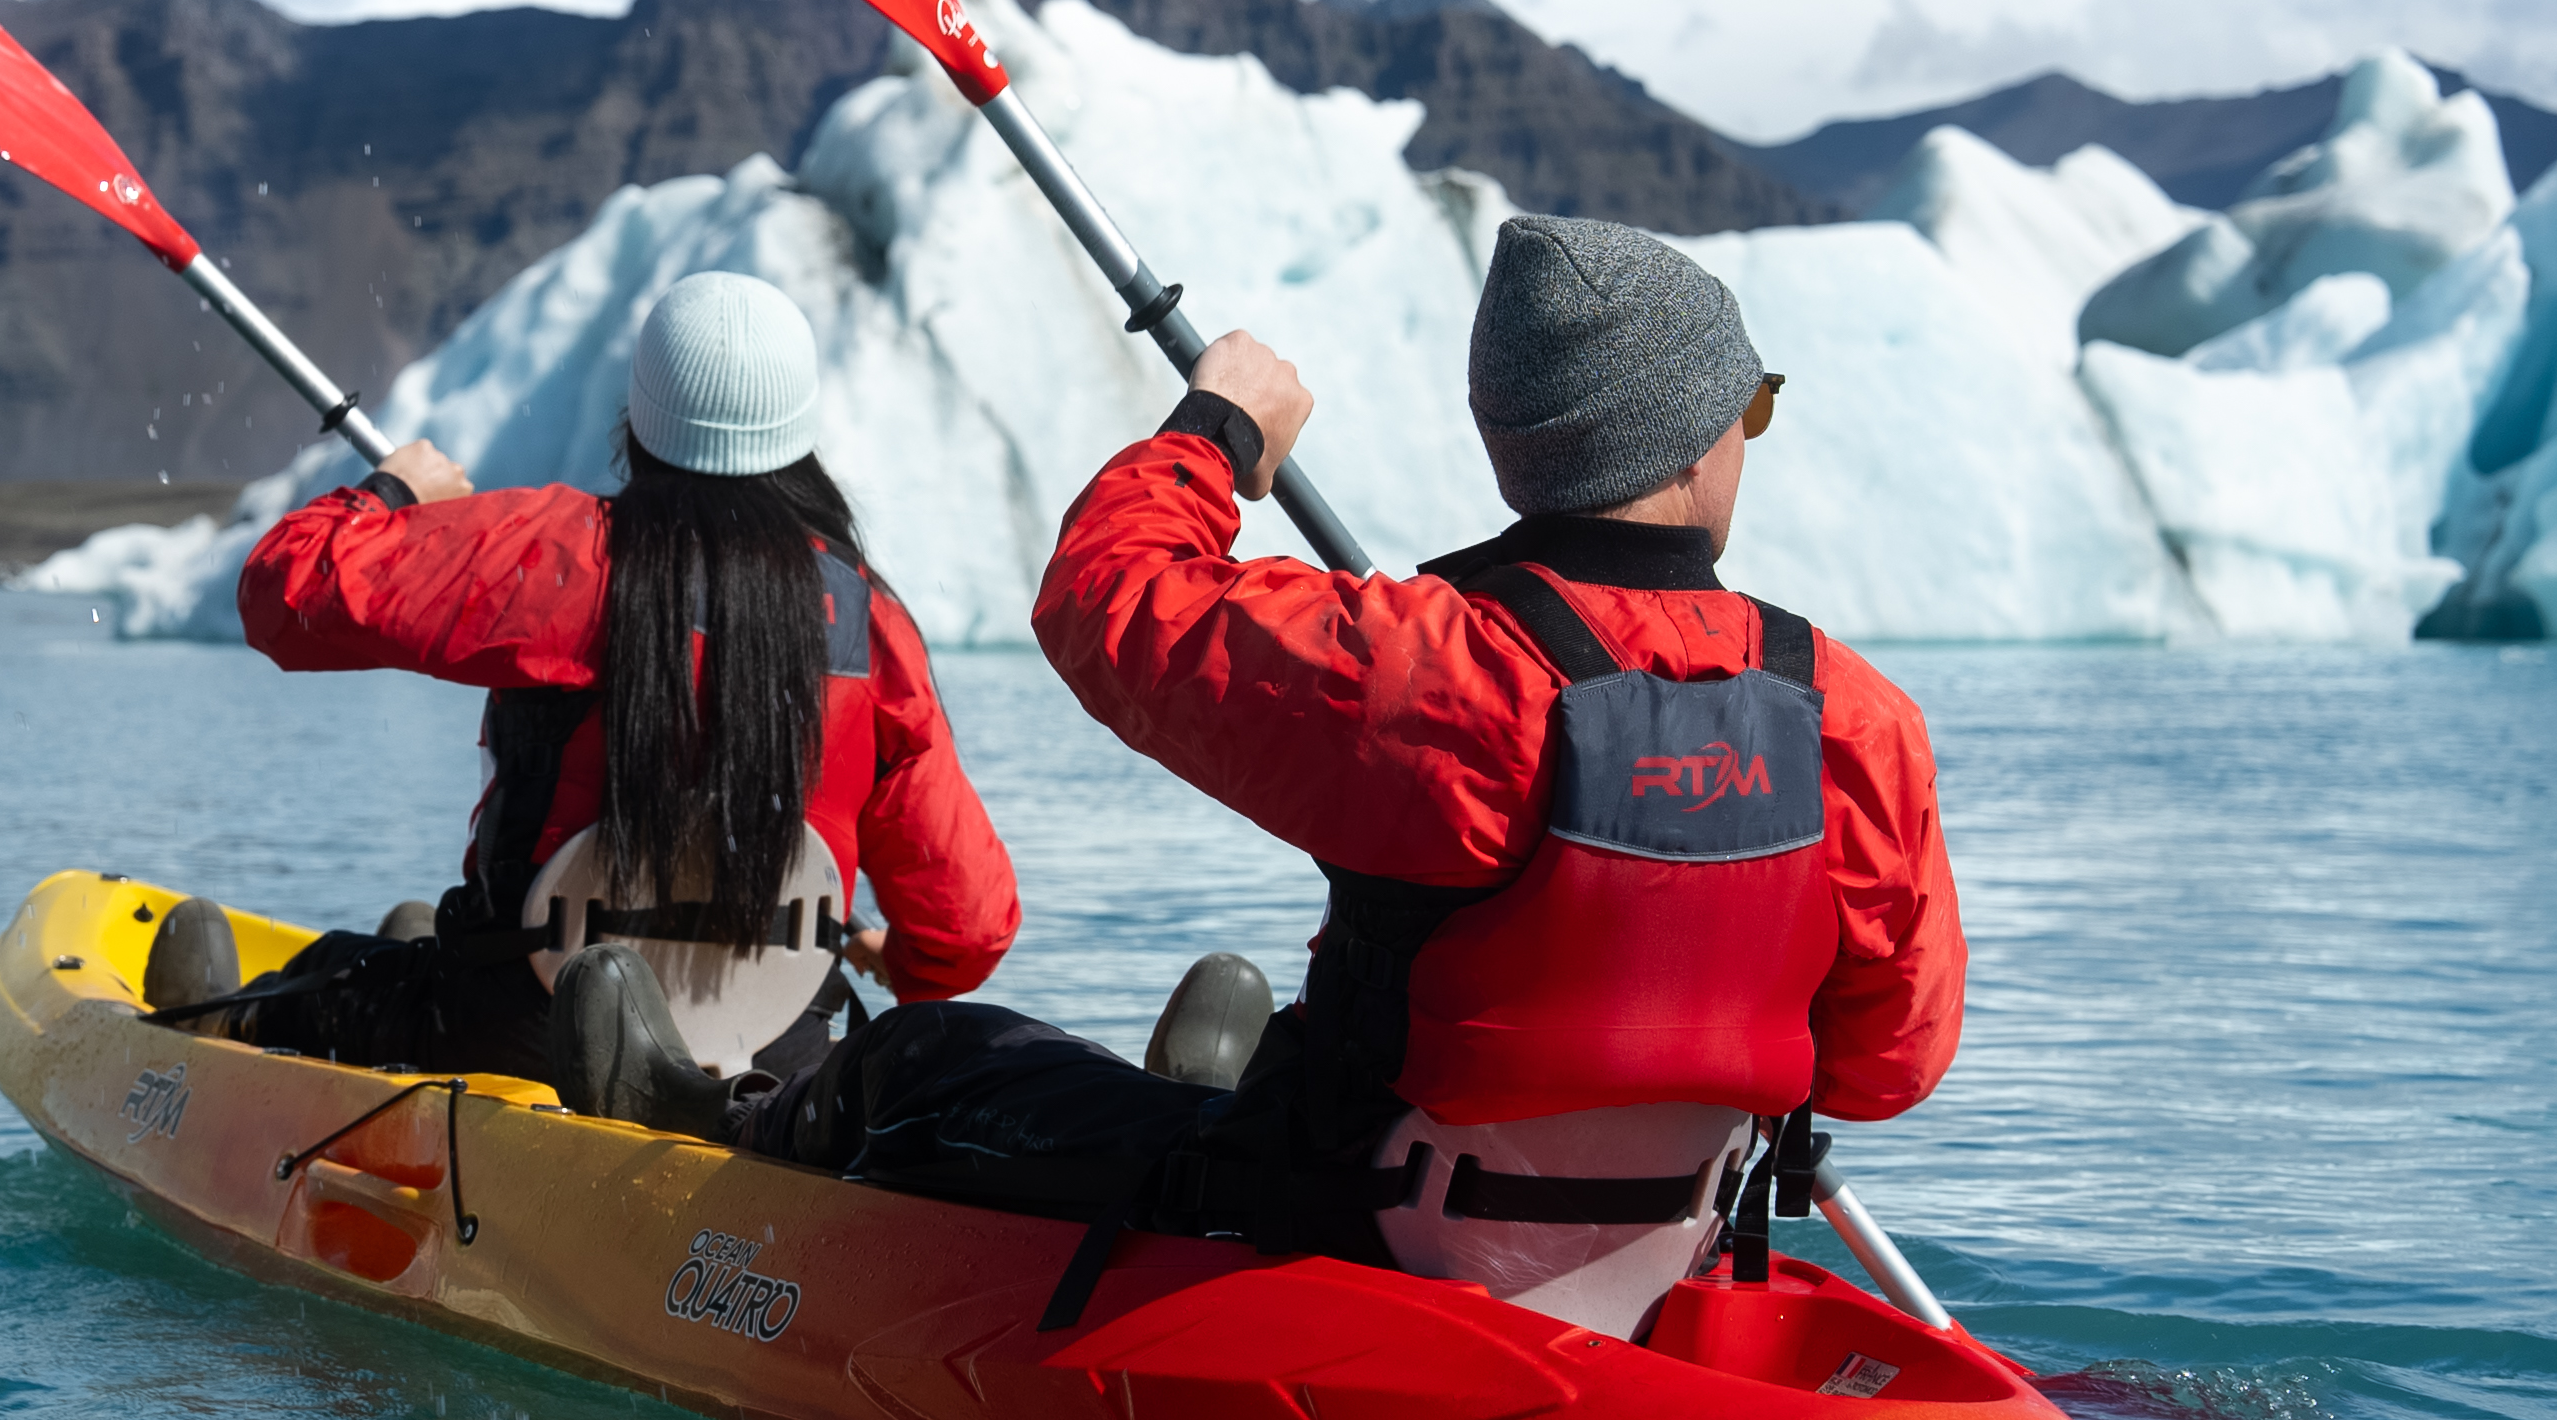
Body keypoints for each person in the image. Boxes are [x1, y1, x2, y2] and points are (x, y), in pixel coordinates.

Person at [732, 212, 1966, 1343]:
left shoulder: (1434, 669)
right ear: (1691, 447)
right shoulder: (1854, 719)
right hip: (1664, 1257)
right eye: (1747, 412)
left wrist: (1216, 427)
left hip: (1373, 1238)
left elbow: (1108, 595)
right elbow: (1881, 1065)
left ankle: (723, 1124)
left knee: (931, 1057)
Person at [176, 271, 1023, 1116]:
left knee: (323, 982)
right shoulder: (872, 625)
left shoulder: (563, 558)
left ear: (640, 420)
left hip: (518, 1031)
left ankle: (185, 1047)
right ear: (800, 435)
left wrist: (394, 491)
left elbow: (281, 591)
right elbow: (970, 927)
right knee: (414, 948)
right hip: (777, 1058)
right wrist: (901, 960)